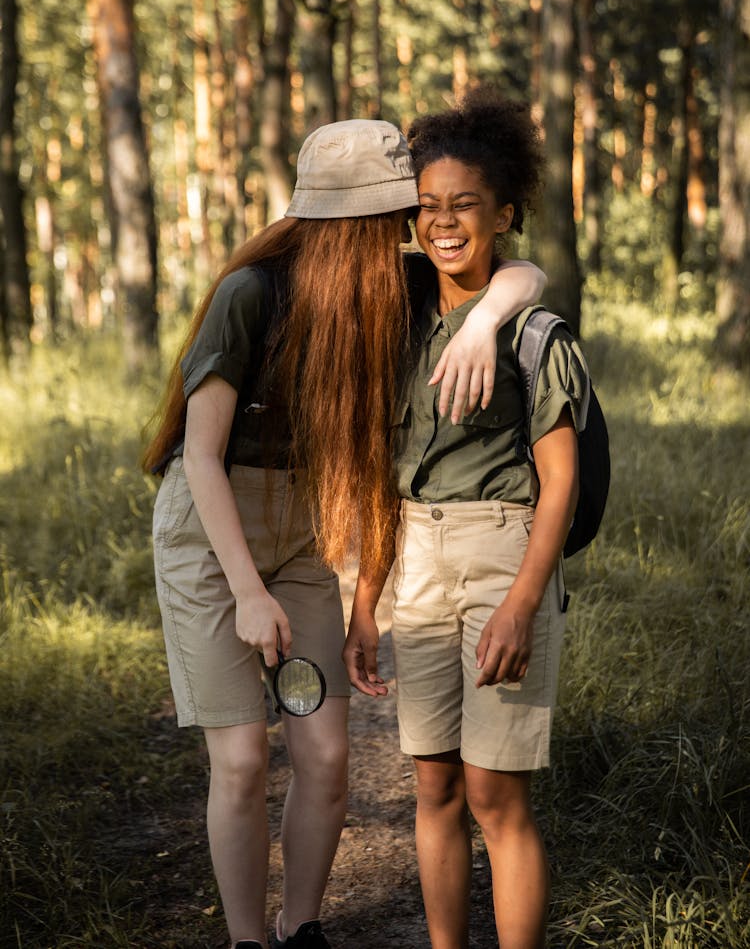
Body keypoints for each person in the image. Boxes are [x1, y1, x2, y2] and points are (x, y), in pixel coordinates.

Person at [143, 117, 546, 949]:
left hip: (296, 536)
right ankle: (248, 937)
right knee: (245, 760)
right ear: (338, 223)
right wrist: (248, 595)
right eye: (388, 221)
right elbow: (203, 458)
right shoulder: (248, 293)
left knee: (326, 757)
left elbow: (524, 274)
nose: (403, 237)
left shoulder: (384, 284)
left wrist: (480, 323)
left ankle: (303, 927)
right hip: (210, 534)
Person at [344, 89, 588, 949]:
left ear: (505, 212)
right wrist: (366, 596)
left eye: (466, 206)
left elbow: (559, 480)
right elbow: (384, 468)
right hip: (413, 556)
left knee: (496, 795)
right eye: (429, 207)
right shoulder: (399, 312)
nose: (444, 222)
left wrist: (524, 600)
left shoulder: (534, 329)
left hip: (502, 553)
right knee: (435, 788)